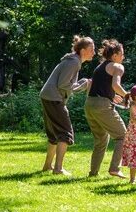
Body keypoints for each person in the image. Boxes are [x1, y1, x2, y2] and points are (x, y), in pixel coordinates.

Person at [39, 36, 95, 176]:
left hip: (48, 96)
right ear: (82, 51)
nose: (94, 52)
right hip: (54, 98)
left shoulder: (73, 60)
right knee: (65, 133)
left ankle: (47, 166)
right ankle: (58, 169)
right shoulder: (74, 62)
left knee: (53, 133)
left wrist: (82, 82)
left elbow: (67, 83)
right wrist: (84, 85)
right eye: (91, 49)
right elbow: (64, 84)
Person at [85, 39, 129, 178]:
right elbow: (116, 85)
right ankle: (115, 168)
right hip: (102, 106)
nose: (123, 57)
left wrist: (112, 95)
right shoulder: (117, 67)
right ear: (115, 55)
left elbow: (100, 86)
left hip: (89, 104)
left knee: (101, 140)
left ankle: (93, 173)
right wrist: (128, 96)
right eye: (122, 54)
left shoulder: (99, 67)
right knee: (123, 136)